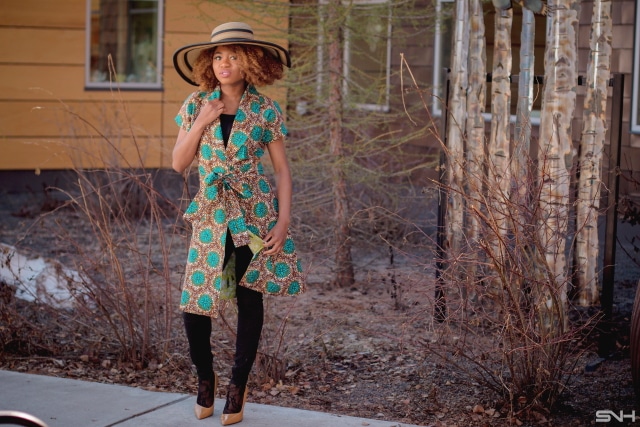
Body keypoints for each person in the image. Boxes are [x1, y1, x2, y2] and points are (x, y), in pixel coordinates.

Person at [171, 22, 305, 425]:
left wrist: (283, 222)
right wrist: (202, 120)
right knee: (197, 302)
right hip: (212, 217)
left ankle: (237, 386)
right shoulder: (197, 103)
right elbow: (178, 164)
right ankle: (206, 380)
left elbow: (282, 171)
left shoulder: (264, 110)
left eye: (232, 56)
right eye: (217, 56)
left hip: (252, 217)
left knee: (246, 295)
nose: (224, 63)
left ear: (249, 63)